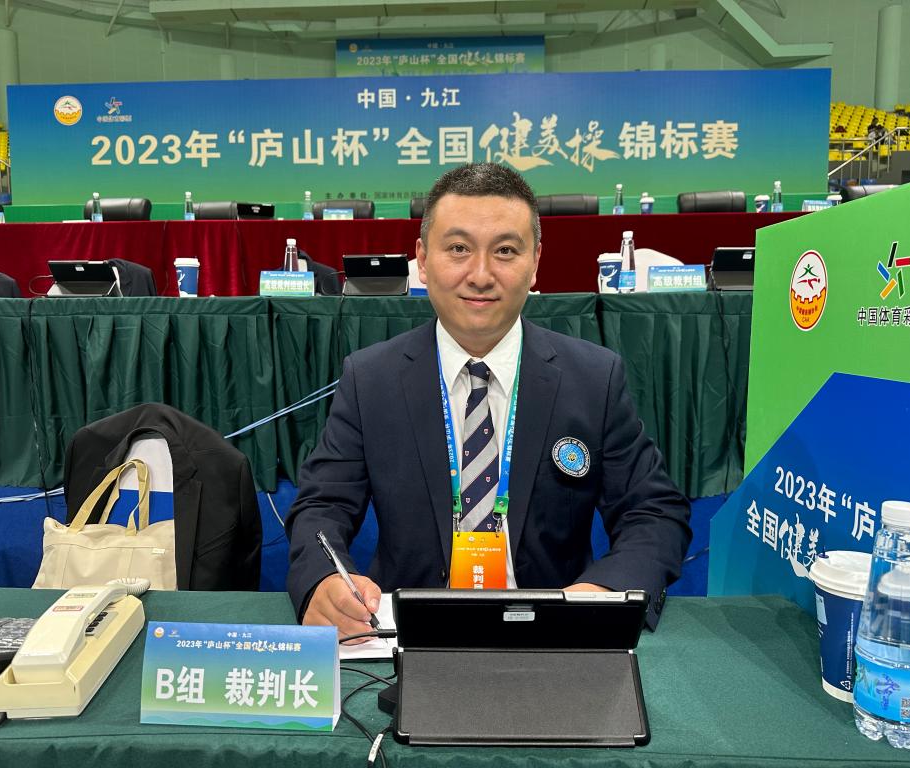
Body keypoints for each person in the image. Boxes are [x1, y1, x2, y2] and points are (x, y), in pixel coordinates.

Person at [285, 163, 692, 639]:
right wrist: (323, 580)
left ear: (535, 261)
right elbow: (322, 506)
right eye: (458, 249)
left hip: (552, 638)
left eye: (505, 251)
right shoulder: (370, 379)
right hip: (411, 637)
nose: (480, 275)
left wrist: (602, 591)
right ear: (422, 259)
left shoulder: (593, 379)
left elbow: (654, 512)